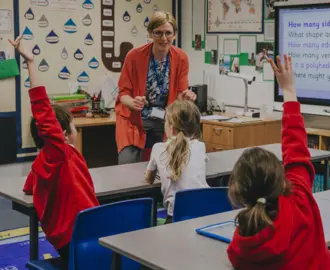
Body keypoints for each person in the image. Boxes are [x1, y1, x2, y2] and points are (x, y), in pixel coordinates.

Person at [227, 54, 330, 270]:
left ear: (238, 192)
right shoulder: (300, 199)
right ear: (280, 176)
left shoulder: (241, 247)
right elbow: (296, 149)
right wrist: (289, 91)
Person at [11, 36, 99, 266]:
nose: (76, 129)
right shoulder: (58, 154)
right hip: (79, 233)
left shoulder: (45, 162)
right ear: (60, 133)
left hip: (75, 234)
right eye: (73, 125)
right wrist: (31, 63)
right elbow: (41, 108)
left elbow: (29, 186)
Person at [116, 11, 196, 165]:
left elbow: (180, 94)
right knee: (127, 163)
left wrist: (185, 98)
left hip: (166, 119)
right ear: (150, 34)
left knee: (174, 161)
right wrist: (132, 102)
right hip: (135, 118)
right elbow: (123, 94)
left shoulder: (181, 57)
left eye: (168, 33)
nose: (164, 38)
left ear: (174, 34)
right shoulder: (134, 56)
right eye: (158, 33)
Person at [145, 100, 208, 224]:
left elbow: (149, 179)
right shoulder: (201, 146)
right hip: (203, 214)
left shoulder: (158, 148)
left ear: (171, 128)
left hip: (175, 218)